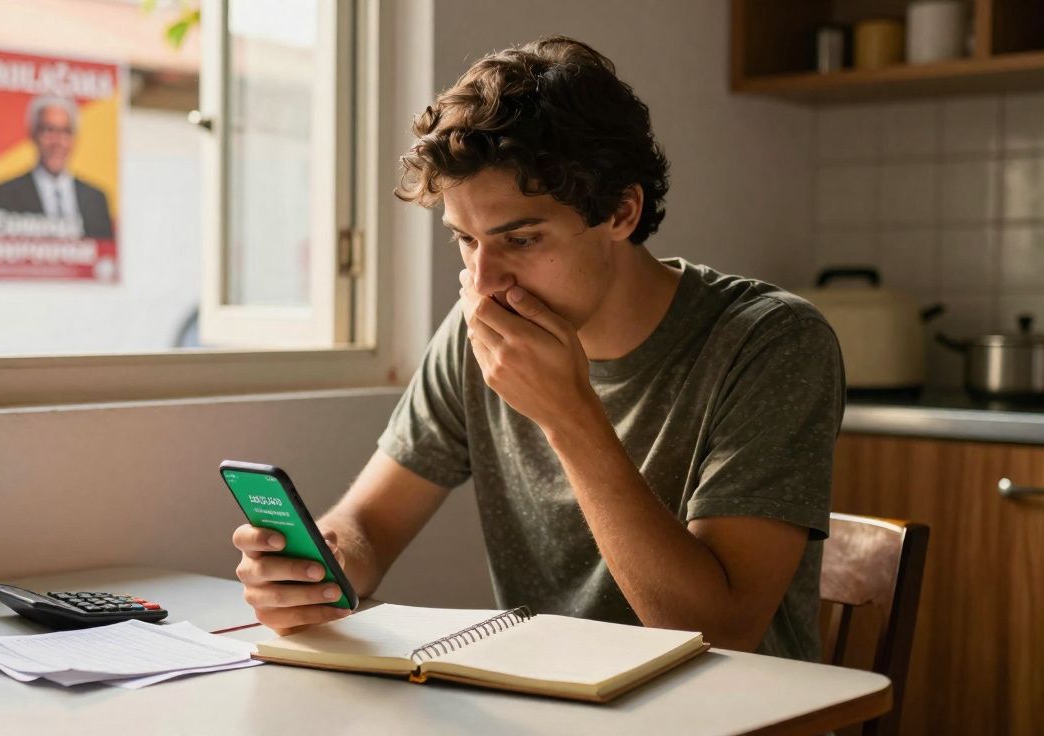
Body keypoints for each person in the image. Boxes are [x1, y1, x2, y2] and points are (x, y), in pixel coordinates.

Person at [232, 37, 844, 662]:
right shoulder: (476, 331)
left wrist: (569, 415)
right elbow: (371, 526)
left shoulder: (772, 341)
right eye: (465, 240)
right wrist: (321, 565)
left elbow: (719, 633)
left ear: (622, 212)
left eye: (520, 239)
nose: (486, 280)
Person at [0, 95, 114, 239]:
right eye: (49, 130)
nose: (57, 141)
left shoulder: (96, 199)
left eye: (65, 132)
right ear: (33, 135)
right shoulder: (1, 196)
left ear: (74, 139)